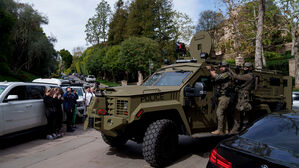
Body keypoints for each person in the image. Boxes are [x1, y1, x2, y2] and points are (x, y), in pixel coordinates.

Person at [207, 61, 233, 135]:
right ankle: (226, 130)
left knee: (219, 112)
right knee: (224, 113)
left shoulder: (227, 74)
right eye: (220, 67)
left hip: (225, 97)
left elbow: (217, 77)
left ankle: (220, 130)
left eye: (223, 67)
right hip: (222, 96)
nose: (221, 68)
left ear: (226, 67)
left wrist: (210, 70)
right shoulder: (224, 74)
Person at [229, 62, 255, 134]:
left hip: (244, 96)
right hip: (241, 95)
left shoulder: (250, 76)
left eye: (246, 67)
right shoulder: (246, 75)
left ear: (250, 68)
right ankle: (243, 128)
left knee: (239, 110)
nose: (244, 69)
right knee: (242, 112)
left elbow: (237, 77)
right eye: (244, 67)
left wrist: (230, 70)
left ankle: (238, 128)